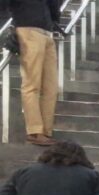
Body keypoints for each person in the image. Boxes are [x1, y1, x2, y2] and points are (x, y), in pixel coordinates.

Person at [1, 0, 60, 145]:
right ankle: (34, 131)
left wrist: (54, 20)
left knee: (51, 87)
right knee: (32, 83)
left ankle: (46, 130)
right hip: (27, 29)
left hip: (47, 31)